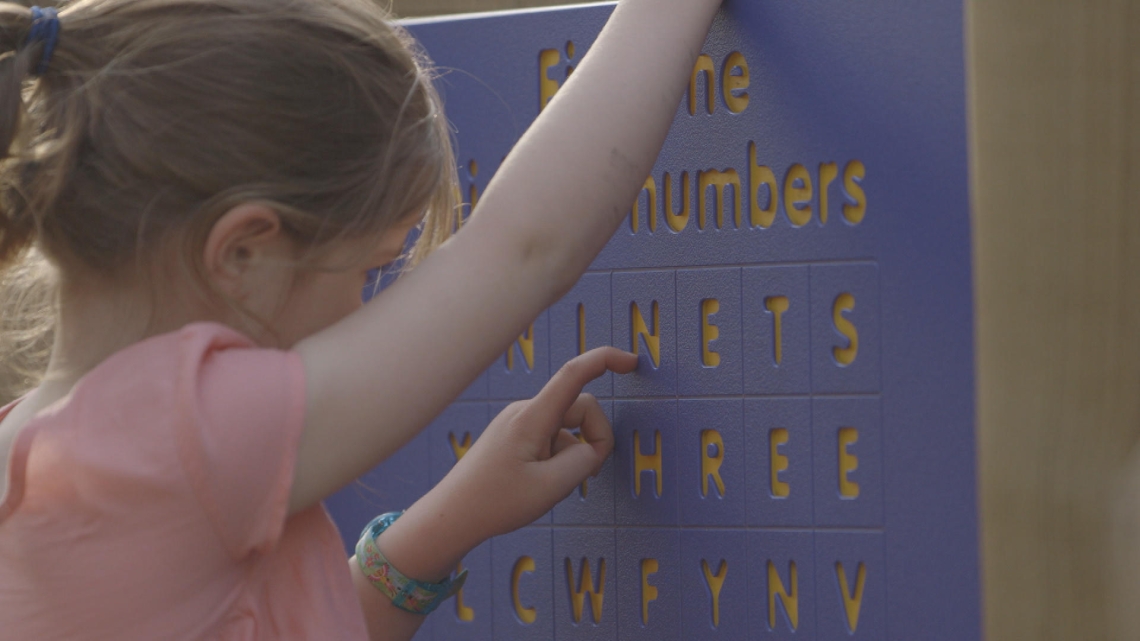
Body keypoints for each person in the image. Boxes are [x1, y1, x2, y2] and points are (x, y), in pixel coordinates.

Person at [0, 0, 721, 638]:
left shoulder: (47, 446)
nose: (367, 306)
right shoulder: (185, 435)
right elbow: (520, 251)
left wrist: (441, 529)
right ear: (243, 252)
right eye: (367, 268)